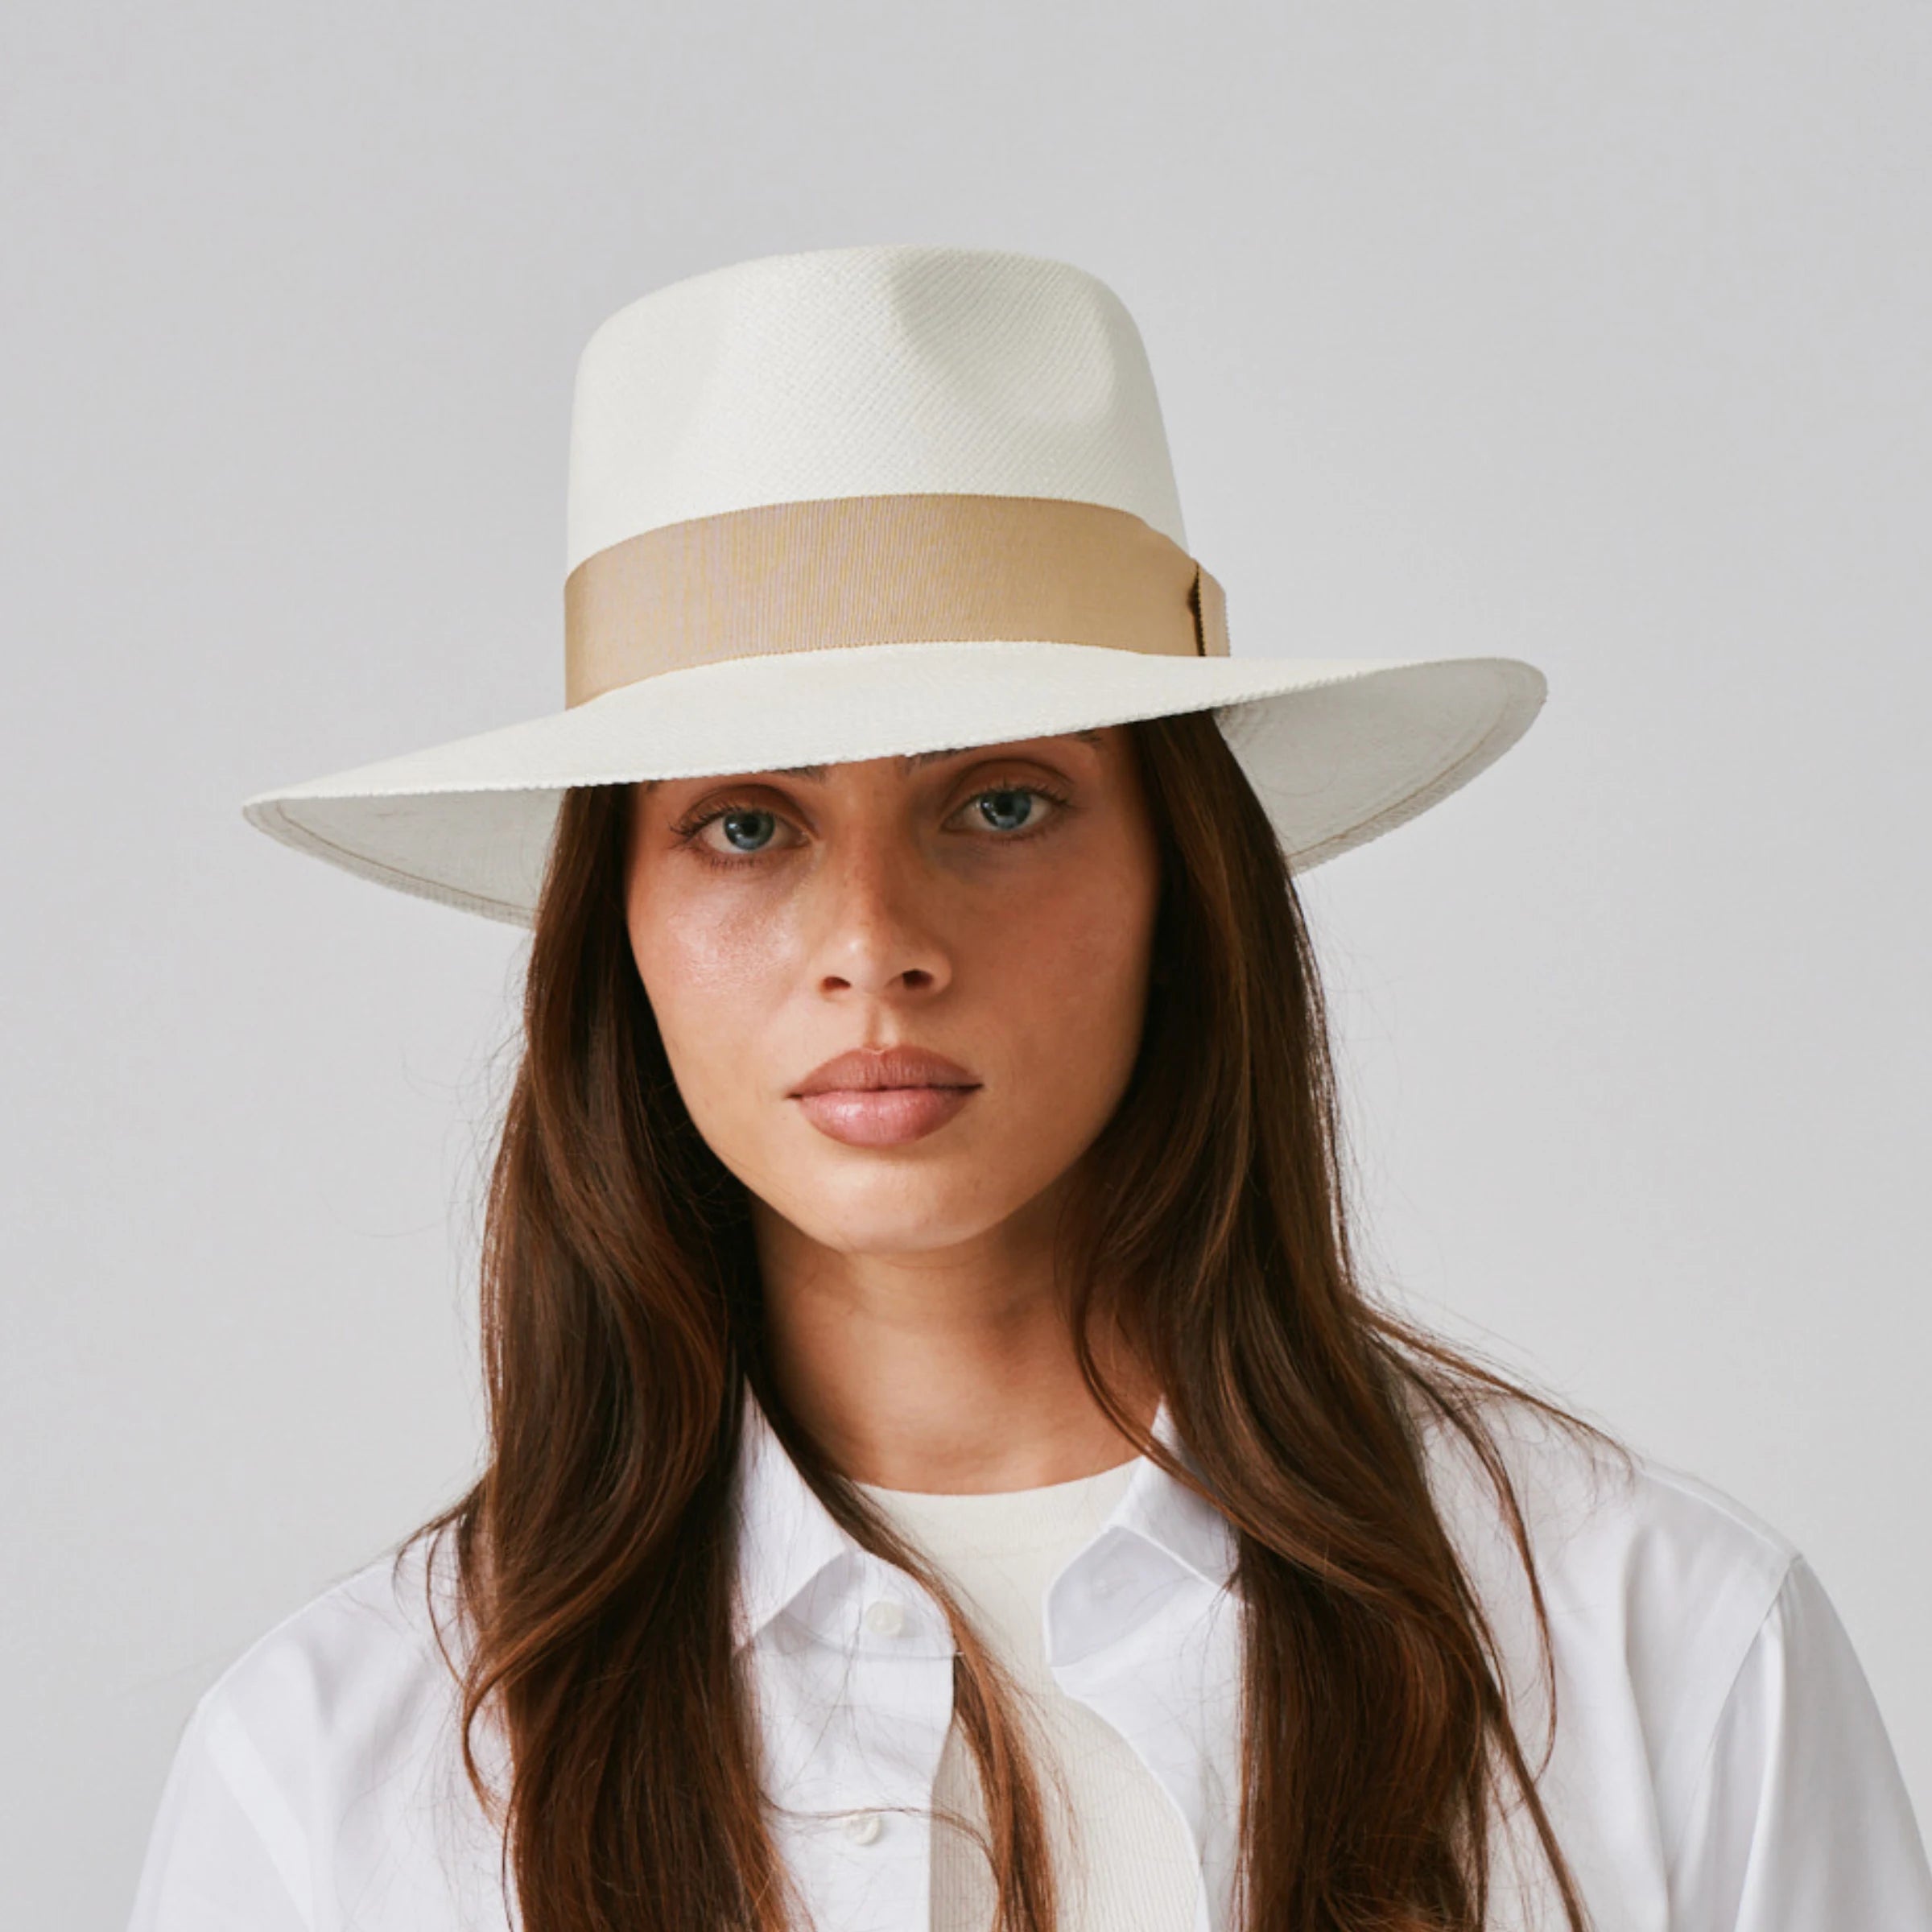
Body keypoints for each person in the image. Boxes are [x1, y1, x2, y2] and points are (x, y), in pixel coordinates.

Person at [127, 243, 1931, 1932]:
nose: (874, 942)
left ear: (1181, 875)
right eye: (745, 825)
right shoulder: (344, 1775)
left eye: (998, 801)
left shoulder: (1663, 1654)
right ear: (620, 932)